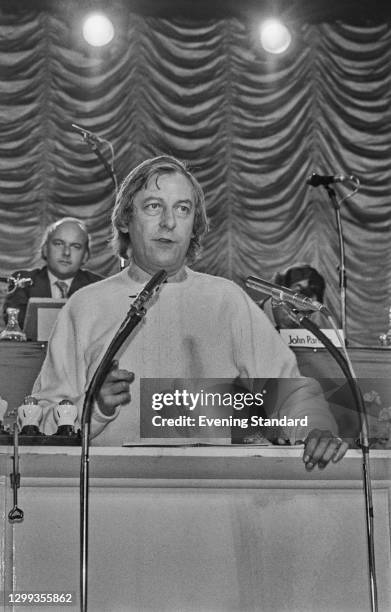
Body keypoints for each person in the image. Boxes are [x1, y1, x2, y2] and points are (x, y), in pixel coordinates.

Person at [32, 156, 348, 470]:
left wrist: (315, 430)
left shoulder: (226, 300)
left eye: (183, 209)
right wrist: (95, 406)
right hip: (108, 494)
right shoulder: (85, 306)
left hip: (207, 494)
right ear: (126, 220)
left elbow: (290, 392)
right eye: (153, 207)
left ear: (194, 225)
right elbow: (42, 420)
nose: (169, 222)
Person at [3, 217, 103, 327]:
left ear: (85, 255)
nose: (66, 252)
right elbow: (15, 324)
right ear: (45, 249)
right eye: (59, 243)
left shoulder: (98, 286)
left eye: (75, 246)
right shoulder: (22, 281)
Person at [260, 264, 326, 330]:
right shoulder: (253, 317)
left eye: (306, 313)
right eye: (292, 307)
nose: (297, 319)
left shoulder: (311, 332)